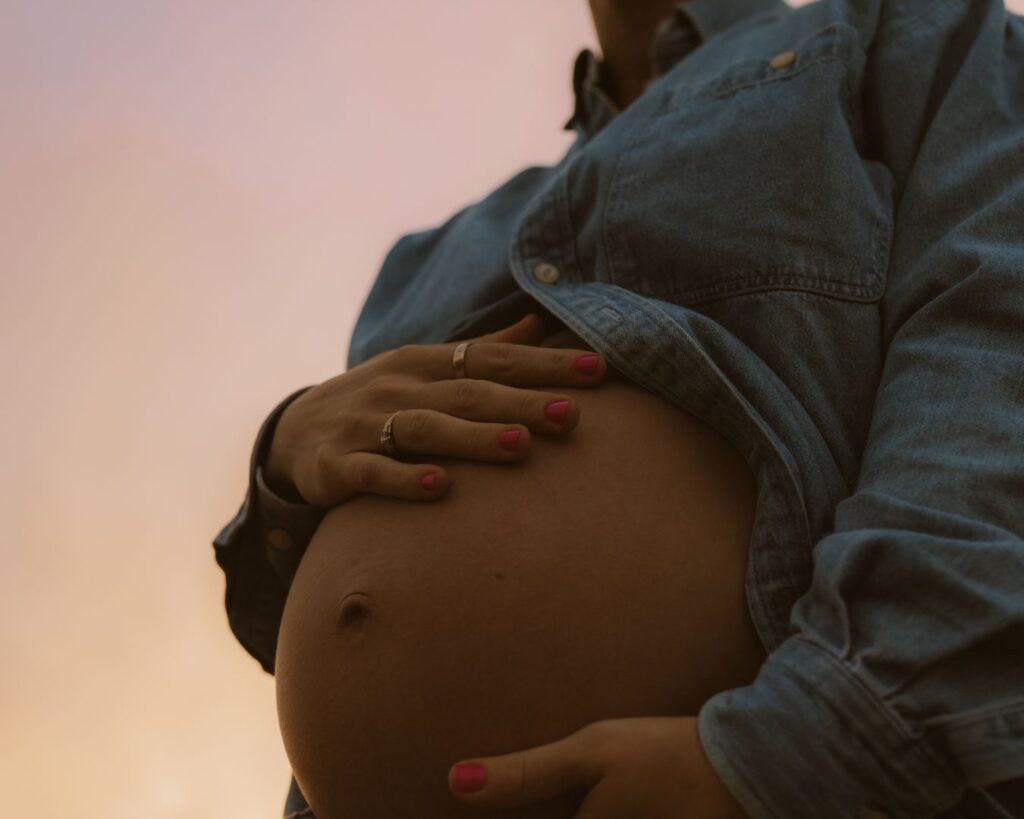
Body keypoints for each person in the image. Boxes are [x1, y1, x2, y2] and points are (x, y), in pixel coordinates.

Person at [211, 0, 1024, 816]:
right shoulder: (426, 256)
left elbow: (991, 336)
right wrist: (281, 460)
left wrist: (806, 750)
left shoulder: (905, 33)